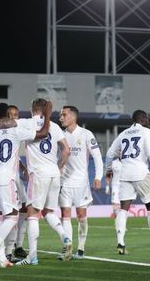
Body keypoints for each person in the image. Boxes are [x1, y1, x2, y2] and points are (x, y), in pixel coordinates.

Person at [0, 101, 52, 268]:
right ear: (7, 115)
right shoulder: (15, 131)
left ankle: (2, 257)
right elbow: (42, 133)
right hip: (6, 179)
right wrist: (48, 114)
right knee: (12, 217)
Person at [14, 98, 72, 266]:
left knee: (32, 214)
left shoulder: (26, 123)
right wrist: (59, 167)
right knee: (48, 212)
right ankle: (65, 237)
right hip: (54, 172)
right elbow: (66, 150)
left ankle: (32, 256)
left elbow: (9, 126)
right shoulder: (54, 126)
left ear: (33, 109)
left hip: (38, 174)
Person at [105, 109, 150, 255]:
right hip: (140, 173)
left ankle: (120, 243)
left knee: (123, 209)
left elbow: (109, 153)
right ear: (142, 119)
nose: (148, 121)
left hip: (124, 175)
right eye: (146, 118)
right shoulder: (146, 132)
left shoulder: (123, 134)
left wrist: (108, 169)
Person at [58, 105, 104, 260]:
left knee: (81, 216)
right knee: (65, 214)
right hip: (64, 182)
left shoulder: (86, 134)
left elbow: (97, 157)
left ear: (73, 117)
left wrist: (98, 177)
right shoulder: (60, 135)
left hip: (81, 183)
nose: (61, 118)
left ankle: (81, 248)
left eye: (64, 115)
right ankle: (67, 248)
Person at [4, 105, 30, 262]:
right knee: (9, 214)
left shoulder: (16, 129)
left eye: (16, 114)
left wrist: (23, 167)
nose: (14, 117)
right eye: (11, 114)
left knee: (25, 209)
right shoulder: (4, 131)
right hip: (6, 179)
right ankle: (6, 250)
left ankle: (18, 246)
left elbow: (15, 155)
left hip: (16, 178)